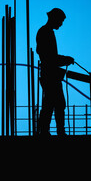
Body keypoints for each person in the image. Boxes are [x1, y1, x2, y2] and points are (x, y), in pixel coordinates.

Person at [36, 8, 74, 136]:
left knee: (52, 103)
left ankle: (46, 131)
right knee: (55, 104)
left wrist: (64, 60)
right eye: (60, 21)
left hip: (50, 74)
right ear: (54, 18)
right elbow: (49, 57)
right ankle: (51, 131)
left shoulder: (46, 32)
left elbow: (50, 56)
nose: (61, 24)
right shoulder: (45, 32)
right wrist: (65, 60)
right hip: (50, 75)